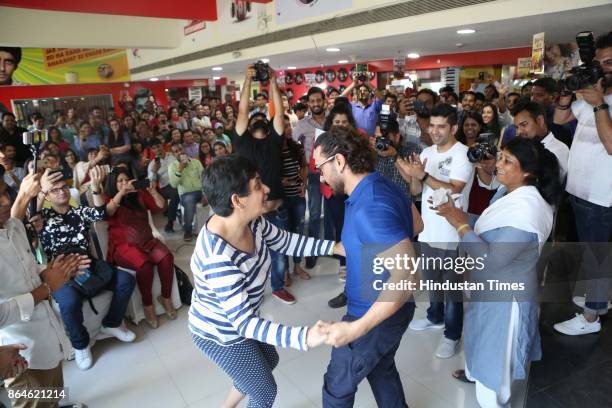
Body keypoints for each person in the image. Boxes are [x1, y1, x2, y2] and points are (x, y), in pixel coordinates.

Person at [190, 155, 337, 408]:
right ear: (237, 200)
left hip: (242, 320)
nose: (266, 188)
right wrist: (305, 337)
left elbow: (286, 241)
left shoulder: (251, 221)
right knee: (264, 392)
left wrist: (335, 246)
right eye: (258, 185)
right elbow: (245, 324)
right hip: (220, 333)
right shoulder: (218, 257)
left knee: (269, 360)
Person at [435, 138, 561, 408]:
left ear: (528, 172)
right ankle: (475, 374)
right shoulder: (509, 194)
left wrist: (460, 226)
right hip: (488, 290)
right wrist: (458, 215)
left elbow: (493, 260)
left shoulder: (527, 209)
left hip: (505, 299)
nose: (497, 165)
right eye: (500, 156)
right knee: (481, 343)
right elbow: (487, 226)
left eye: (506, 161)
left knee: (495, 369)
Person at [312, 126, 416, 407]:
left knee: (337, 387)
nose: (319, 174)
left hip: (373, 314)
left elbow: (406, 277)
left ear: (339, 161)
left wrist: (356, 329)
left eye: (320, 166)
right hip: (387, 309)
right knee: (381, 370)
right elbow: (416, 224)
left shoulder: (370, 206)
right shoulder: (379, 183)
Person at [1, 173, 89, 408]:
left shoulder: (12, 227)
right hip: (17, 352)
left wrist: (54, 271)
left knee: (54, 392)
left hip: (45, 335)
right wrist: (46, 288)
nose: (5, 202)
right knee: (35, 401)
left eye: (3, 193)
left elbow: (25, 267)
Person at [38, 168, 136, 370]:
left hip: (88, 263)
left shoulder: (78, 212)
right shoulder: (42, 218)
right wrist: (39, 192)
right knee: (69, 302)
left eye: (64, 187)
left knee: (126, 280)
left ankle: (112, 323)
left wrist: (96, 187)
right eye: (55, 190)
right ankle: (81, 344)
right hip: (60, 271)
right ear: (47, 195)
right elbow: (28, 217)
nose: (62, 192)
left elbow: (103, 212)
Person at [396, 104, 474, 359]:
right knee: (432, 280)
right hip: (429, 229)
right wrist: (412, 175)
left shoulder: (464, 154)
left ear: (453, 127)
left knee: (452, 287)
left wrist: (424, 174)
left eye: (442, 126)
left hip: (452, 231)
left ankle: (452, 334)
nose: (436, 131)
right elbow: (419, 191)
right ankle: (435, 317)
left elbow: (455, 189)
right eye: (432, 125)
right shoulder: (427, 151)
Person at [552, 30, 612, 336]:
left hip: (602, 197)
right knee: (592, 254)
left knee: (596, 256)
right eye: (601, 63)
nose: (604, 68)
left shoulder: (600, 99)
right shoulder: (592, 94)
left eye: (610, 61)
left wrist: (600, 103)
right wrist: (565, 92)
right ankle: (599, 298)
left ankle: (591, 318)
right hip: (579, 191)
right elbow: (561, 120)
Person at [234, 64, 296, 304]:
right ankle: (250, 290)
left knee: (279, 252)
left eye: (263, 117)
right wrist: (247, 81)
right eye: (255, 117)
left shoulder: (274, 141)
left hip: (275, 208)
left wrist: (272, 81)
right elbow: (241, 111)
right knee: (248, 254)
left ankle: (278, 285)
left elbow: (279, 113)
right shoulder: (241, 142)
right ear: (249, 126)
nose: (260, 119)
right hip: (248, 213)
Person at [105, 168, 176, 329]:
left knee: (167, 257)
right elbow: (108, 211)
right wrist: (121, 193)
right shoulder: (110, 199)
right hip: (124, 246)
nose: (124, 184)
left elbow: (161, 207)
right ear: (113, 184)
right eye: (120, 181)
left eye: (126, 180)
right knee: (145, 266)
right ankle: (148, 305)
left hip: (147, 240)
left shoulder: (139, 195)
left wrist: (153, 192)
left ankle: (165, 298)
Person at [292, 87, 327, 270]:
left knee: (332, 212)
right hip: (313, 174)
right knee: (314, 214)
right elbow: (292, 146)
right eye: (312, 101)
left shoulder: (332, 120)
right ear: (308, 103)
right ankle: (313, 251)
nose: (315, 104)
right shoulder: (302, 124)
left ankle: (333, 248)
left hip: (333, 172)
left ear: (324, 100)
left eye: (318, 100)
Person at [280, 114, 310, 283]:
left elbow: (304, 166)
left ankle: (297, 266)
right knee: (283, 235)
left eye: (289, 125)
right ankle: (284, 270)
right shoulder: (272, 149)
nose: (287, 129)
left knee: (298, 232)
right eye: (284, 126)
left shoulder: (296, 146)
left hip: (298, 196)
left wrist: (304, 184)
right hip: (281, 199)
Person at [513, 100, 569, 180]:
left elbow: (552, 187)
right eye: (517, 127)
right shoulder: (522, 146)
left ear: (540, 120)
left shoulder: (559, 150)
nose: (518, 131)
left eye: (524, 125)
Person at [168, 142, 204, 242]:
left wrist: (206, 194)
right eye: (176, 151)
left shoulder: (196, 162)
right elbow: (173, 185)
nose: (179, 152)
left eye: (180, 149)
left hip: (200, 191)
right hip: (186, 194)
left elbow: (205, 178)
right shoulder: (172, 166)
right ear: (173, 154)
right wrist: (179, 170)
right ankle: (188, 230)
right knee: (189, 199)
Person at [148, 139, 179, 233]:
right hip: (166, 186)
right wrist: (154, 171)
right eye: (154, 148)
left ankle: (171, 211)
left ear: (162, 145)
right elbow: (151, 183)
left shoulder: (172, 155)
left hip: (180, 180)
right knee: (175, 194)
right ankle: (170, 222)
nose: (157, 149)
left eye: (158, 146)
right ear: (152, 151)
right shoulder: (152, 164)